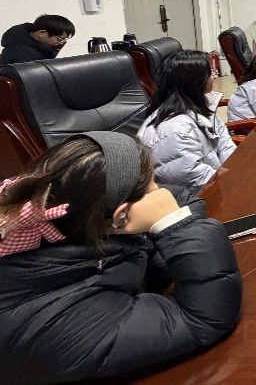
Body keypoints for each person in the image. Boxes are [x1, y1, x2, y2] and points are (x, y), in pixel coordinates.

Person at [0, 132, 242, 382]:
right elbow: (203, 318)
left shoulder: (67, 213)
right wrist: (172, 223)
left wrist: (159, 228)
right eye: (154, 185)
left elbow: (176, 198)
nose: (161, 195)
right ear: (120, 216)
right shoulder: (64, 323)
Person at [138, 50, 236, 192]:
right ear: (195, 81)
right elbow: (194, 180)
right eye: (210, 73)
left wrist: (236, 170)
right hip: (197, 197)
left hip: (219, 183)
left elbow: (225, 143)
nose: (214, 76)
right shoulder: (176, 129)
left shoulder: (203, 105)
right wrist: (232, 182)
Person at [0, 14, 75, 65]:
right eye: (60, 38)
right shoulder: (17, 53)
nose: (62, 42)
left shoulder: (43, 48)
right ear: (41, 33)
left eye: (65, 39)